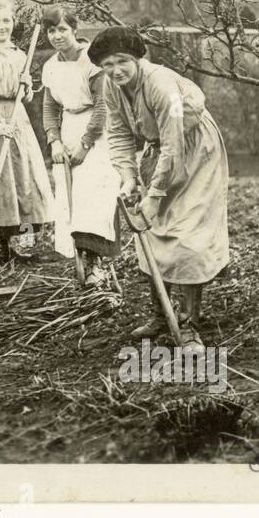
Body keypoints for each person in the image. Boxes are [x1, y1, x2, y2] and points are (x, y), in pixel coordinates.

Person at [90, 26, 230, 348]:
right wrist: (128, 177)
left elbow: (174, 145)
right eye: (107, 65)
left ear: (139, 58)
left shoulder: (162, 85)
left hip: (196, 151)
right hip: (161, 151)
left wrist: (154, 195)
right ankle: (161, 315)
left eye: (122, 61)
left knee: (187, 234)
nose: (115, 70)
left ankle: (189, 324)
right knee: (151, 231)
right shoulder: (111, 86)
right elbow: (119, 135)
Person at [0, 0, 54, 265]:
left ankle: (17, 244)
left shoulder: (19, 55)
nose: (2, 26)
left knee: (22, 182)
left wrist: (26, 86)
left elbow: (24, 99)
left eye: (7, 21)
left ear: (13, 23)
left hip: (18, 122)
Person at [40, 4, 120, 287]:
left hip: (95, 134)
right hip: (67, 130)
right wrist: (54, 141)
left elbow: (102, 106)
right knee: (68, 201)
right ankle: (80, 264)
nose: (57, 36)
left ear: (74, 29)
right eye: (51, 30)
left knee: (93, 199)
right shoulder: (50, 66)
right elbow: (49, 108)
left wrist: (86, 144)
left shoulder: (91, 62)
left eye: (62, 29)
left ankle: (97, 264)